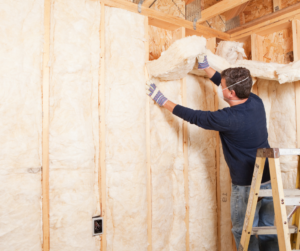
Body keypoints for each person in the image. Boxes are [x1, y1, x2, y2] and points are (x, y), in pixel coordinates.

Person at [146, 52, 279, 251]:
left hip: (246, 186)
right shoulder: (255, 101)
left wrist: (162, 100)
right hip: (269, 178)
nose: (221, 87)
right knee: (269, 229)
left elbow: (194, 116)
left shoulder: (227, 118)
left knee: (243, 231)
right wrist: (206, 67)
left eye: (223, 86)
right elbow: (227, 84)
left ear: (231, 94)